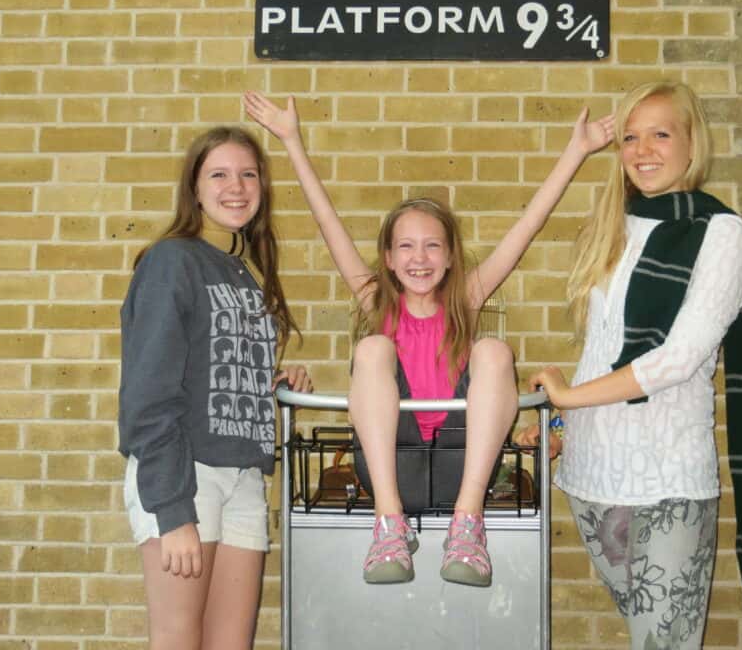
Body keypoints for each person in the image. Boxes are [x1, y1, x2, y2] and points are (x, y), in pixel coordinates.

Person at [243, 89, 615, 588]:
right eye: (406, 247)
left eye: (432, 246)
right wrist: (291, 141)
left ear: (449, 256)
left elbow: (527, 227)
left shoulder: (466, 299)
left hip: (464, 469)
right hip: (393, 469)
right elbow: (327, 221)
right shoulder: (380, 302)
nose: (419, 258)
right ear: (390, 259)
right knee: (373, 347)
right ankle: (389, 526)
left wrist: (577, 151)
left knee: (493, 350)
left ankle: (467, 527)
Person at [524, 82, 742, 649]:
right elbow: (601, 348)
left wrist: (567, 397)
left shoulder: (722, 233)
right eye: (629, 138)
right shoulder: (614, 225)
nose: (643, 150)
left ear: (692, 144)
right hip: (592, 478)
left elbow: (679, 358)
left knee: (664, 643)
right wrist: (562, 428)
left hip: (669, 483)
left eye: (660, 134)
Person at [117, 125, 313, 650]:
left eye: (249, 174)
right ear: (195, 188)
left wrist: (267, 384)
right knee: (178, 640)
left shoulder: (242, 270)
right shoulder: (171, 261)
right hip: (186, 476)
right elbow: (147, 394)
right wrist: (173, 510)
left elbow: (206, 370)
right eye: (220, 174)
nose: (237, 186)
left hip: (244, 478)